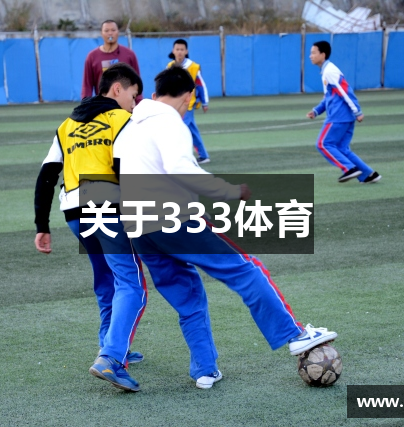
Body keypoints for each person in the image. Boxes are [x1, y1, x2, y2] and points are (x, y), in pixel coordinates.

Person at [109, 65, 337, 391]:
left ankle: (205, 370)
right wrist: (227, 191)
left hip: (138, 226)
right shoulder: (170, 121)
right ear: (189, 96)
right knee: (245, 269)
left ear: (155, 94)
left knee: (188, 296)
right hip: (174, 219)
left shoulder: (129, 127)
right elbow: (178, 167)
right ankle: (295, 334)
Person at [34, 63, 147, 385]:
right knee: (132, 286)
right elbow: (124, 168)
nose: (134, 104)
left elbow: (46, 176)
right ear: (117, 89)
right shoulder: (121, 120)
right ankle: (111, 357)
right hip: (107, 207)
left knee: (106, 279)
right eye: (133, 96)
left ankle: (109, 343)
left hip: (75, 214)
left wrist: (42, 225)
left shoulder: (67, 125)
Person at [307, 41, 381, 184]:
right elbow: (329, 97)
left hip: (338, 116)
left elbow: (345, 91)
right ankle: (368, 174)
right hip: (345, 116)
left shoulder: (330, 71)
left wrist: (357, 111)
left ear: (323, 54)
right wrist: (316, 111)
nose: (310, 56)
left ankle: (349, 169)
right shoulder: (327, 71)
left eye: (313, 53)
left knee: (323, 144)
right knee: (341, 148)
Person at [167, 39, 211, 164]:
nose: (179, 52)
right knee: (192, 131)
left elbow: (201, 85)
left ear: (186, 51)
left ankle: (182, 156)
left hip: (188, 104)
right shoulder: (170, 66)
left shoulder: (193, 67)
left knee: (180, 129)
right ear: (173, 51)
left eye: (182, 49)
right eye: (177, 49)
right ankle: (203, 155)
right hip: (175, 104)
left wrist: (205, 102)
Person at [81, 20, 142, 104]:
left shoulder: (129, 55)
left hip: (125, 105)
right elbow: (87, 85)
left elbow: (136, 83)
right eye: (106, 31)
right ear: (101, 33)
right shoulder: (92, 56)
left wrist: (138, 102)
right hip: (102, 105)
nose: (110, 33)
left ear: (118, 32)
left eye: (113, 30)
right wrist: (85, 105)